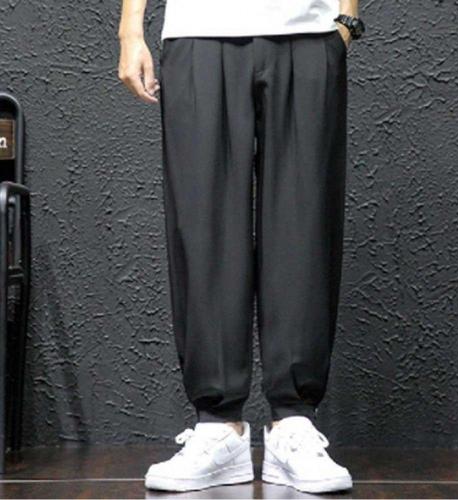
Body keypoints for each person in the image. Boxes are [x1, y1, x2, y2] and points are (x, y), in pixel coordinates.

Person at [118, 0, 364, 493]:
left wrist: (346, 21)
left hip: (309, 32)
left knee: (304, 226)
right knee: (202, 226)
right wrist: (130, 28)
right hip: (198, 31)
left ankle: (293, 422)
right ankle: (218, 427)